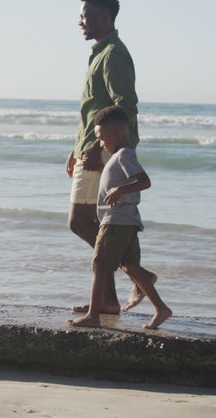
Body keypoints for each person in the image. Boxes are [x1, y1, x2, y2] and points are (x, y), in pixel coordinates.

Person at [67, 0, 158, 317]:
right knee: (92, 224)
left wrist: (94, 147)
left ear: (107, 17)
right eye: (81, 15)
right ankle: (108, 299)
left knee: (81, 223)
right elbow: (93, 111)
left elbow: (124, 106)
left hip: (103, 151)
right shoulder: (99, 52)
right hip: (91, 148)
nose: (81, 21)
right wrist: (76, 148)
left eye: (87, 15)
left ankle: (138, 275)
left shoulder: (114, 54)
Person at [68, 106, 172, 330]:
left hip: (116, 220)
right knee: (131, 266)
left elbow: (145, 181)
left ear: (114, 133)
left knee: (100, 266)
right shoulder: (117, 156)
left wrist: (120, 190)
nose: (100, 144)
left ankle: (93, 316)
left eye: (101, 138)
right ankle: (161, 309)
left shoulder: (124, 155)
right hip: (124, 220)